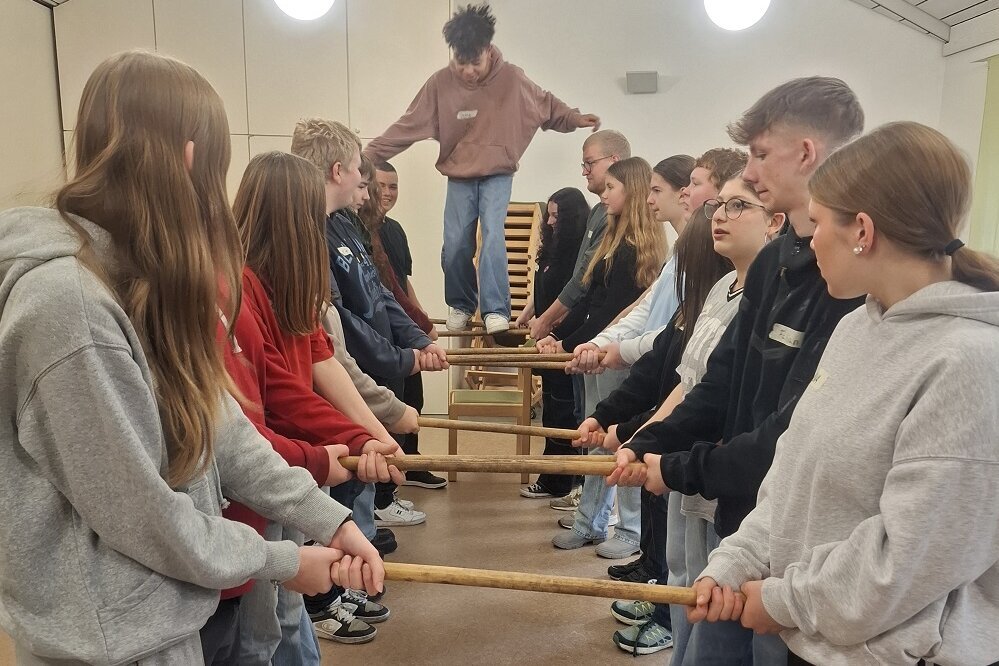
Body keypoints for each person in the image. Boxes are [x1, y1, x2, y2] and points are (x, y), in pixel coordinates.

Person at [0, 50, 381, 666]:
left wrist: (325, 518)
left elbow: (219, 425)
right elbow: (145, 516)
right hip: (106, 644)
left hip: (155, 623)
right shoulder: (68, 307)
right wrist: (282, 560)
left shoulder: (132, 281)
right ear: (186, 157)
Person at [690, 122, 999, 666]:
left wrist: (787, 600)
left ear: (862, 229)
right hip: (819, 641)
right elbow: (793, 477)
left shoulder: (969, 360)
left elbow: (909, 558)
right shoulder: (855, 327)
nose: (807, 239)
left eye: (818, 221)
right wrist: (736, 559)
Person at [611, 76, 867, 665]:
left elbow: (791, 431)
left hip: (796, 546)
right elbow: (721, 378)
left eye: (758, 154)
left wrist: (677, 466)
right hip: (742, 521)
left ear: (806, 153)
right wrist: (644, 442)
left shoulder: (848, 282)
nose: (748, 175)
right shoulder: (779, 258)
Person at [226, 151, 406, 655]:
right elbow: (277, 395)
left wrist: (373, 437)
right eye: (317, 219)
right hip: (261, 471)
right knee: (260, 632)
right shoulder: (239, 288)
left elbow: (319, 366)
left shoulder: (289, 283)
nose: (323, 233)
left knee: (278, 621)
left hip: (285, 465)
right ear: (292, 221)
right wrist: (350, 441)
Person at [608, 174, 784, 659]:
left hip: (727, 469)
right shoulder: (724, 286)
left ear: (776, 223)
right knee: (686, 573)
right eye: (719, 204)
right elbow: (693, 381)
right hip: (694, 457)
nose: (720, 215)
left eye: (737, 205)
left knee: (716, 594)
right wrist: (643, 438)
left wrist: (651, 444)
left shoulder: (770, 294)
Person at [363, 3, 600, 334]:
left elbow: (545, 105)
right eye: (461, 63)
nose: (469, 71)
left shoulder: (512, 79)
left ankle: (496, 309)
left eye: (475, 62)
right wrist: (367, 156)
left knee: (492, 235)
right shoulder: (440, 85)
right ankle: (461, 302)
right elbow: (407, 125)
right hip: (459, 176)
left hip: (496, 173)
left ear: (488, 51)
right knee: (455, 245)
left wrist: (574, 118)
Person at [291, 117, 448, 529]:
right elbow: (334, 327)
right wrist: (400, 359)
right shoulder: (305, 232)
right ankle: (336, 581)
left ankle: (359, 547)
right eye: (360, 174)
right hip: (341, 380)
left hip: (367, 370)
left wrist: (416, 342)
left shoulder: (343, 222)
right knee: (341, 482)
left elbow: (380, 291)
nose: (367, 187)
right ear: (338, 171)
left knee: (361, 475)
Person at [540, 157, 667, 560]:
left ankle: (629, 529)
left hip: (620, 357)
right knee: (595, 440)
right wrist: (570, 340)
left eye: (612, 187)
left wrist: (591, 346)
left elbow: (622, 311)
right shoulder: (610, 238)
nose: (605, 194)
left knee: (622, 442)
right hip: (600, 349)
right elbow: (591, 302)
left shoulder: (637, 249)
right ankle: (589, 521)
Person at [366, 160, 449, 489]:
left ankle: (411, 463)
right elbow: (383, 290)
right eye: (381, 186)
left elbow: (402, 284)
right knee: (390, 401)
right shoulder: (362, 229)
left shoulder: (395, 230)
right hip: (382, 331)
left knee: (413, 399)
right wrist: (418, 324)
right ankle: (386, 487)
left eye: (393, 186)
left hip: (403, 327)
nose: (387, 193)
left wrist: (420, 324)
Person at [518, 187, 589, 500]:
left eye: (557, 216)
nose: (550, 221)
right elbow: (541, 290)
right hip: (544, 339)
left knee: (563, 412)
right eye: (549, 214)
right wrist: (527, 316)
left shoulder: (576, 254)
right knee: (553, 408)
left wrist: (548, 325)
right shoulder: (551, 250)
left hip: (561, 340)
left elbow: (572, 299)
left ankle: (559, 479)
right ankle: (559, 476)